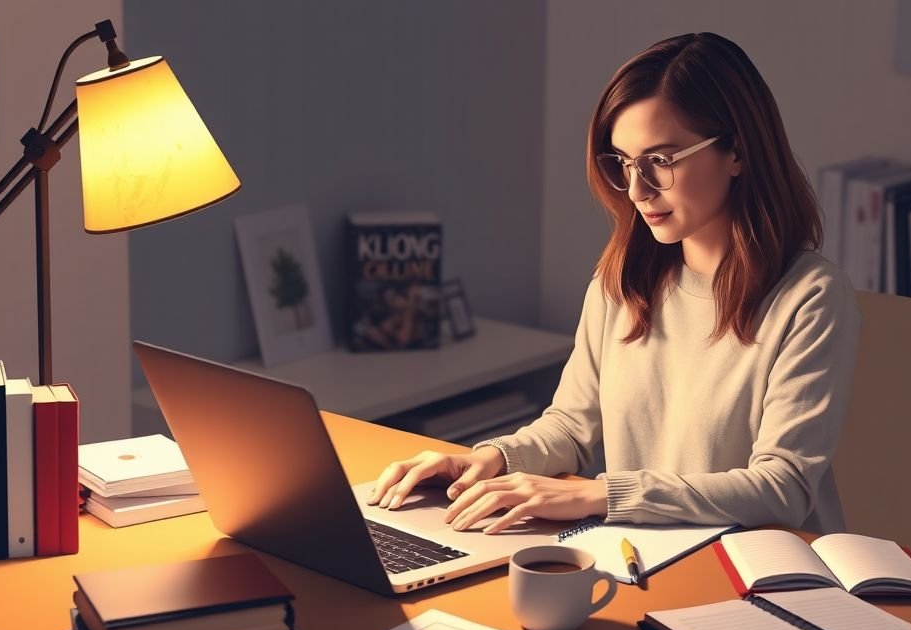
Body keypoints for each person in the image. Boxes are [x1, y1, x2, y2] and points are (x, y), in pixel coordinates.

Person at [366, 32, 862, 536]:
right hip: (644, 553)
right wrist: (491, 459)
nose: (637, 189)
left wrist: (601, 494)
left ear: (737, 151)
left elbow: (783, 489)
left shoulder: (811, 298)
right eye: (624, 163)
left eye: (662, 161)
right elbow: (571, 426)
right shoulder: (622, 280)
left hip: (768, 574)